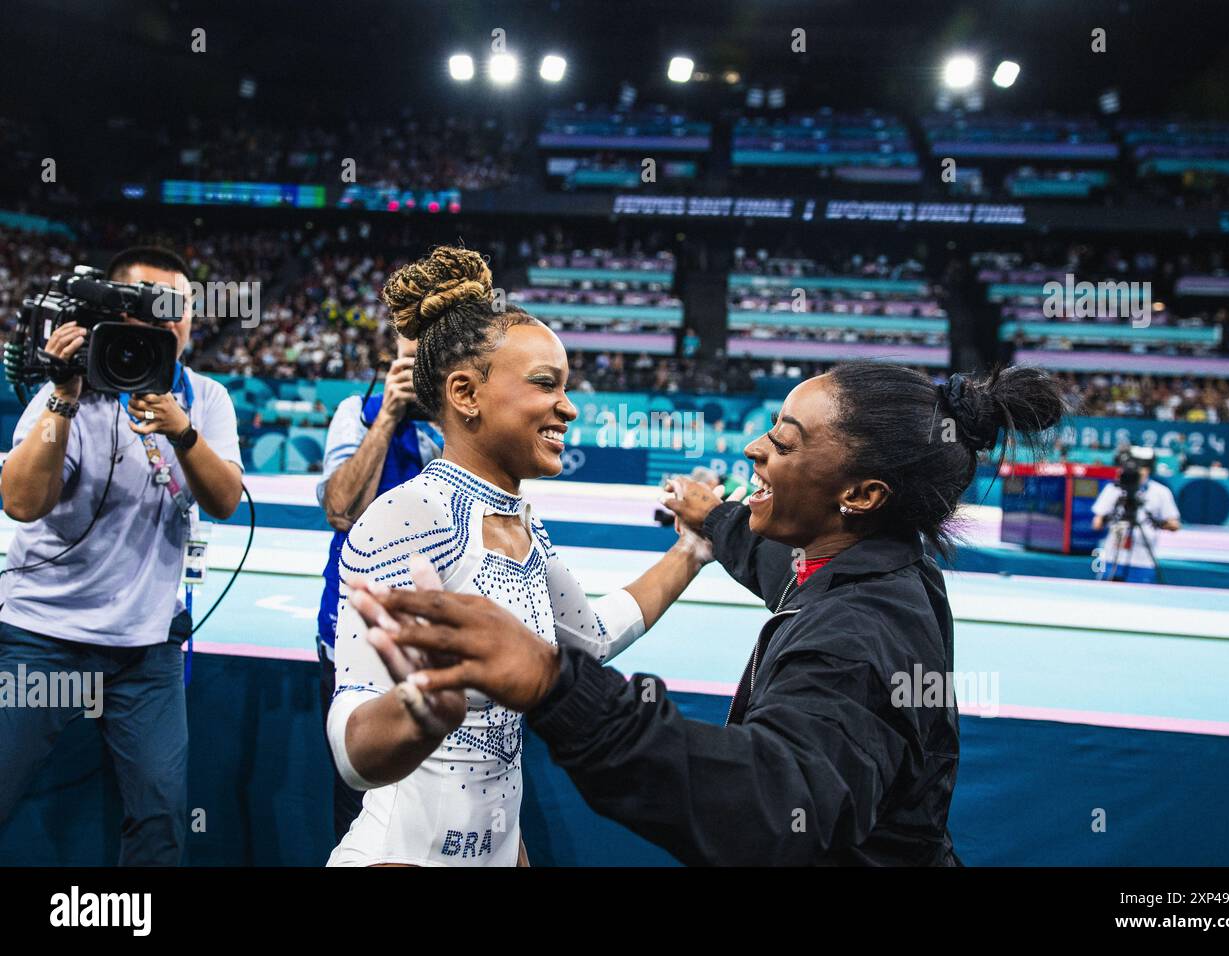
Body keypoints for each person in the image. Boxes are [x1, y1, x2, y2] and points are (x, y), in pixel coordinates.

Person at [347, 363, 1068, 865]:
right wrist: (710, 520)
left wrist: (554, 682)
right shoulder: (873, 563)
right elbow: (774, 563)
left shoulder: (857, 636)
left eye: (783, 442)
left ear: (862, 494)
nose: (755, 446)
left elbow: (766, 807)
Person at [324, 247, 708, 867]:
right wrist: (417, 714)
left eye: (566, 384)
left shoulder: (524, 527)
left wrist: (692, 550)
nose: (570, 406)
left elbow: (590, 640)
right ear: (464, 393)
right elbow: (351, 744)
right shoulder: (410, 516)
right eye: (544, 384)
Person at [0, 246, 243, 865]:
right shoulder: (72, 391)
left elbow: (222, 501)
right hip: (43, 635)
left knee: (161, 817)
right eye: (151, 306)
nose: (169, 321)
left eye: (180, 309)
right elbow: (23, 503)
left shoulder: (205, 398)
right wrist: (62, 395)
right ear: (117, 312)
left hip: (146, 649)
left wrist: (181, 430)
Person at [314, 332, 442, 842]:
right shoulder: (357, 412)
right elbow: (341, 510)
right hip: (351, 642)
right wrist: (387, 418)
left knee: (445, 805)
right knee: (358, 811)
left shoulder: (465, 424)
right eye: (408, 352)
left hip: (438, 644)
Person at [1090, 447, 1180, 584]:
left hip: (1143, 561)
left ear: (1148, 470)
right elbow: (1096, 523)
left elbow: (1175, 524)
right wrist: (1111, 517)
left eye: (1141, 468)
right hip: (1112, 558)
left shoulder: (1161, 492)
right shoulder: (1113, 489)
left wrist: (1156, 522)